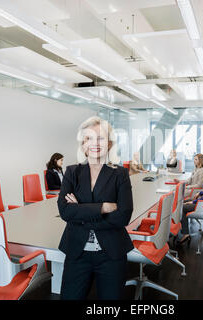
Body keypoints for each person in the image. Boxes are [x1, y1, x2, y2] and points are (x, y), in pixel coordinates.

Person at [57, 116, 134, 300]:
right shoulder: (71, 172)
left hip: (111, 253)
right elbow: (65, 211)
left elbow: (123, 216)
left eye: (100, 138)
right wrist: (104, 207)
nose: (94, 143)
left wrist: (81, 213)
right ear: (83, 144)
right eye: (88, 138)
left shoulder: (120, 174)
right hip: (77, 252)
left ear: (108, 143)